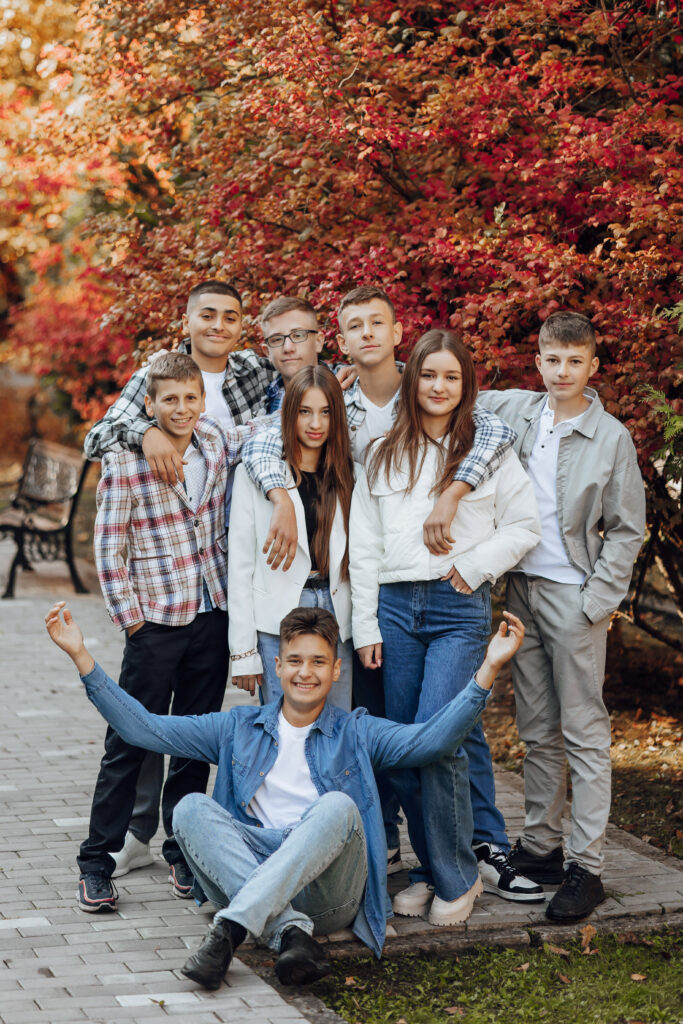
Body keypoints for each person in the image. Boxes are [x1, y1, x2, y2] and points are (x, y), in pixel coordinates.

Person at [45, 600, 527, 990]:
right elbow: (143, 728)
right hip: (253, 866)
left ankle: (232, 930)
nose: (305, 672)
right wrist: (81, 656)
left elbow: (431, 742)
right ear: (277, 666)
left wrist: (487, 668)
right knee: (191, 807)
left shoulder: (358, 731)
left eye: (318, 662)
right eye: (295, 660)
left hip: (330, 890)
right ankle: (290, 933)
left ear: (336, 670)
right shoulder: (236, 727)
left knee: (337, 807)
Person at [240, 286, 519, 866]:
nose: (367, 333)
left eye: (378, 323)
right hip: (370, 598)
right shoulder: (334, 397)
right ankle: (382, 838)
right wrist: (283, 497)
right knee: (381, 724)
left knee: (447, 723)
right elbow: (272, 438)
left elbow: (490, 429)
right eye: (354, 325)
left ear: (398, 334)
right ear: (340, 341)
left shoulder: (426, 389)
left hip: (437, 590)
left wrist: (455, 492)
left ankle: (483, 841)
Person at [349, 329, 544, 925]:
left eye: (451, 377)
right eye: (429, 375)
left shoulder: (486, 450)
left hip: (458, 608)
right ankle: (429, 871)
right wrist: (364, 627)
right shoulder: (383, 451)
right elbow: (363, 546)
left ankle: (459, 879)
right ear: (413, 381)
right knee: (407, 746)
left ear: (466, 385)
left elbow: (525, 526)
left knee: (441, 738)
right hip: (394, 610)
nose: (438, 387)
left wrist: (473, 565)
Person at [477, 311, 646, 922]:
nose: (562, 371)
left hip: (574, 597)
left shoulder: (612, 437)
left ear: (593, 366)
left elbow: (628, 530)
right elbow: (443, 382)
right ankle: (543, 846)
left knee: (583, 731)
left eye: (575, 361)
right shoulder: (520, 412)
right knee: (536, 727)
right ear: (539, 360)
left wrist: (596, 601)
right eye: (552, 360)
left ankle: (587, 866)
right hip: (522, 590)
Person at [80, 352, 257, 913]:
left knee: (193, 743)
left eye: (190, 398)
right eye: (169, 400)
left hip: (212, 614)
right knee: (129, 737)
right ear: (149, 405)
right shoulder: (127, 459)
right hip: (156, 620)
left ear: (202, 402)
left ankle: (183, 850)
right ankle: (96, 861)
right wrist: (132, 619)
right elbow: (109, 547)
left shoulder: (217, 443)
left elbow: (267, 428)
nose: (181, 409)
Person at [228, 365, 355, 709]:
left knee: (335, 726)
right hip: (276, 614)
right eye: (304, 412)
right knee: (282, 726)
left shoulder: (348, 474)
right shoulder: (253, 476)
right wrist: (243, 652)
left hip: (337, 611)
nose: (316, 424)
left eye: (326, 412)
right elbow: (240, 565)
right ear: (289, 414)